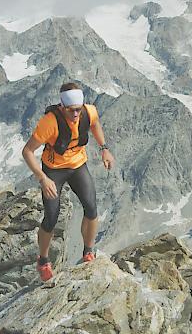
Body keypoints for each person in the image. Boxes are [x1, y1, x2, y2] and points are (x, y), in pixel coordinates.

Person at [21, 82, 115, 281]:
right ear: (62, 107)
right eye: (71, 110)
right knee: (51, 218)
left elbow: (95, 124)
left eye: (78, 110)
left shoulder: (88, 112)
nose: (75, 114)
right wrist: (43, 178)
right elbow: (28, 151)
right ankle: (43, 260)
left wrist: (104, 148)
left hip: (78, 166)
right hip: (53, 171)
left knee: (91, 209)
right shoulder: (49, 122)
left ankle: (88, 252)